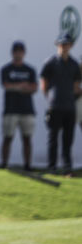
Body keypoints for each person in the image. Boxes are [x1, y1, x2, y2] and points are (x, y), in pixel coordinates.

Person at [40, 33, 80, 175]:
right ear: (58, 45)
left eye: (67, 44)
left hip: (70, 107)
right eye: (62, 44)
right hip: (55, 106)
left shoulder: (74, 64)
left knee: (68, 140)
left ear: (70, 46)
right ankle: (52, 167)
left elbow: (76, 86)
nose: (64, 47)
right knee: (53, 138)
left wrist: (71, 97)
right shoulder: (50, 62)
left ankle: (67, 168)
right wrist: (50, 97)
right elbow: (43, 83)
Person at [0, 41, 37, 171]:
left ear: (24, 53)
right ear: (12, 53)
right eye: (16, 51)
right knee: (7, 137)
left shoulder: (30, 70)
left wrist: (16, 87)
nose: (18, 54)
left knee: (27, 138)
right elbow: (6, 86)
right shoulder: (6, 69)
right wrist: (22, 86)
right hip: (10, 110)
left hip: (27, 110)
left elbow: (33, 88)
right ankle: (4, 164)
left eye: (21, 51)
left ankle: (27, 165)